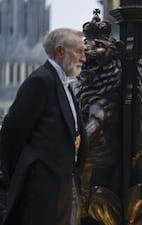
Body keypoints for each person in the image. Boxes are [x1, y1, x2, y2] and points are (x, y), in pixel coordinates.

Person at [0, 28, 88, 225]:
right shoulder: (41, 81)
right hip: (41, 190)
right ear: (60, 52)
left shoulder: (64, 83)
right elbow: (12, 133)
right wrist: (27, 173)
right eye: (79, 51)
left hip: (62, 186)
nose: (84, 59)